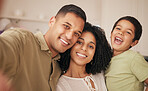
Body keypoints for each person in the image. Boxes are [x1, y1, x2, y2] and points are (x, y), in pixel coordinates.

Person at [0, 4, 86, 91]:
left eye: (76, 34)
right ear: (52, 22)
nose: (70, 36)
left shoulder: (60, 66)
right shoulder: (22, 39)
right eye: (66, 26)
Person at [56, 22, 112, 91]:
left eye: (91, 46)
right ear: (71, 45)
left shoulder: (100, 75)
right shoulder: (60, 86)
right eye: (79, 42)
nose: (84, 48)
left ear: (95, 53)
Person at [105, 16, 148, 91]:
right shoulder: (106, 57)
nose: (121, 32)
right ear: (111, 34)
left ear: (134, 43)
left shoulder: (133, 58)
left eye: (128, 32)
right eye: (118, 28)